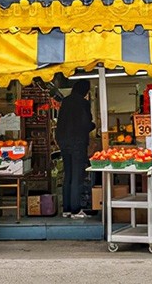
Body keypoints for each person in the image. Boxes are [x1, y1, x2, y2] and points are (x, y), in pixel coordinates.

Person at [56, 80, 95, 218]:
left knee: (68, 174)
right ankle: (76, 210)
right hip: (77, 142)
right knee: (77, 175)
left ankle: (66, 209)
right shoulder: (83, 103)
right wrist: (92, 126)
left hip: (63, 142)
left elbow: (61, 122)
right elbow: (85, 123)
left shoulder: (65, 101)